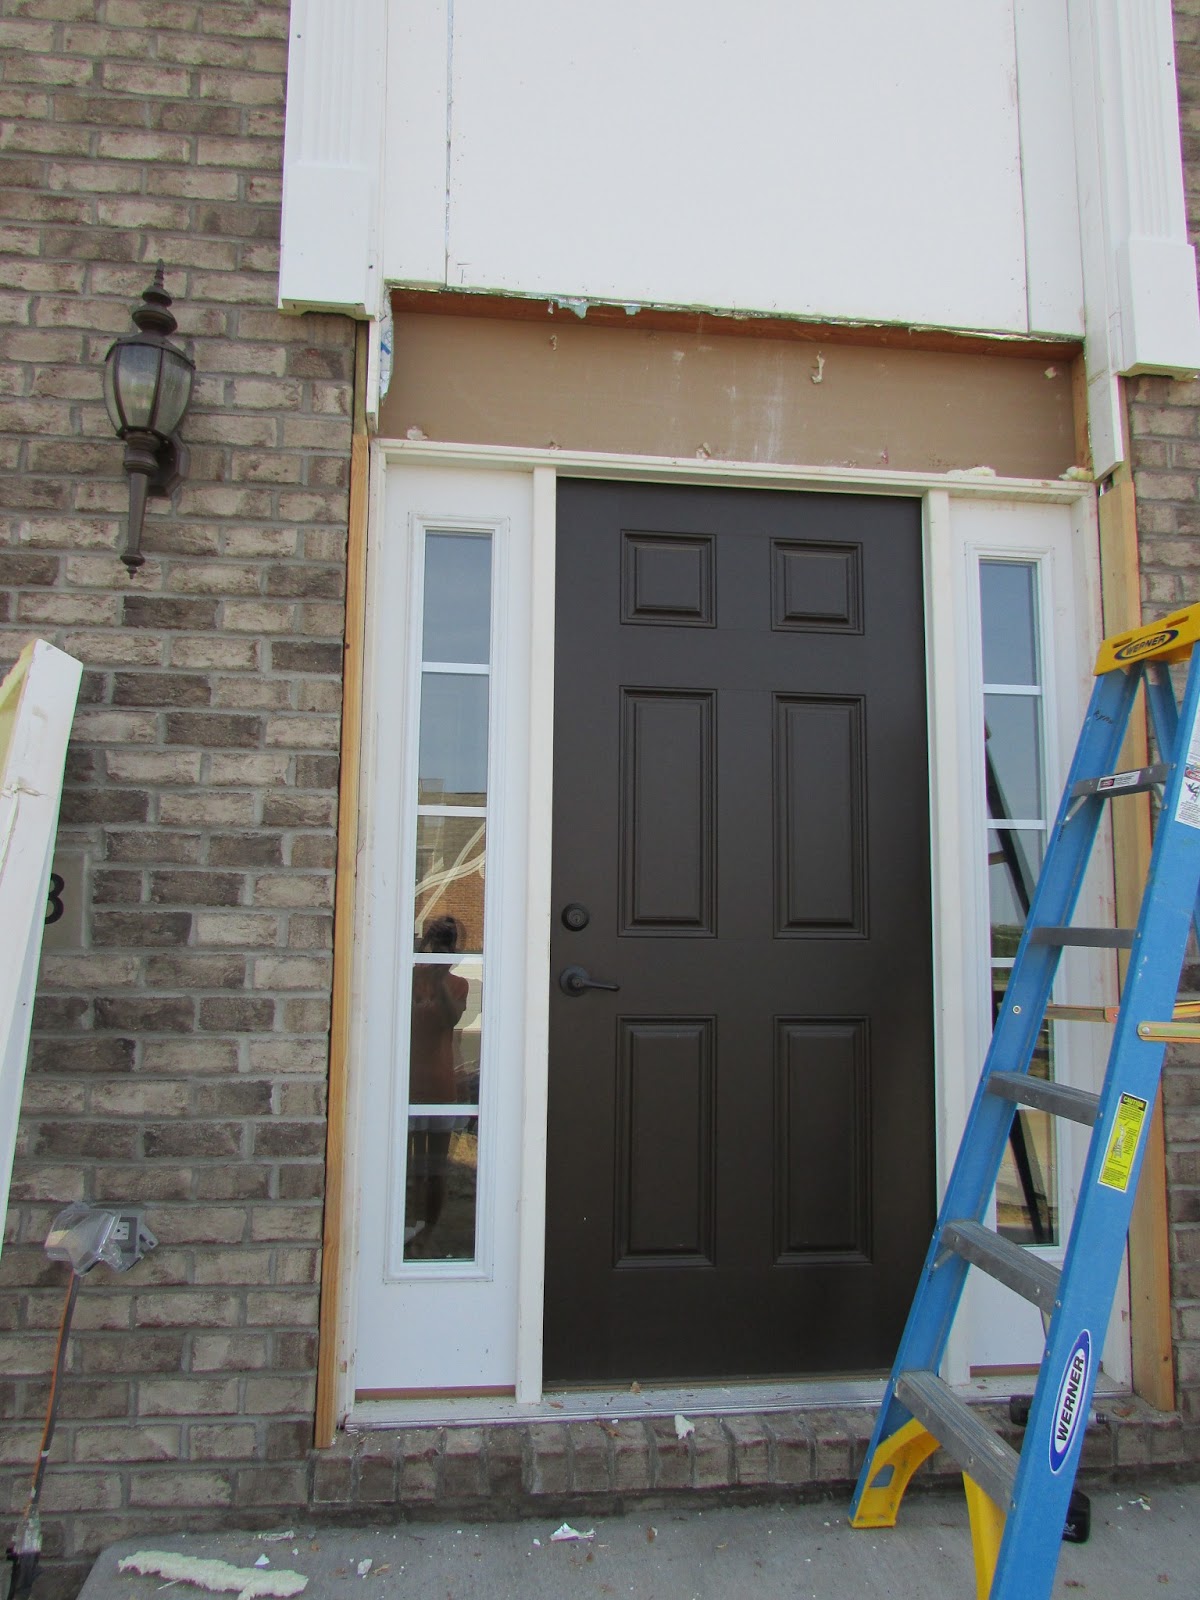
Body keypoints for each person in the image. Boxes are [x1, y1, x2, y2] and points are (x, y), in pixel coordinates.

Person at [407, 915, 469, 1251]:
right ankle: (410, 1225)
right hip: (411, 1080)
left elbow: (452, 1018)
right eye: (436, 945)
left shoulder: (458, 984)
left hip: (440, 1081)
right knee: (414, 1165)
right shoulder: (410, 977)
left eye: (448, 947)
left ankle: (429, 1230)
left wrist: (441, 976)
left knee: (437, 1166)